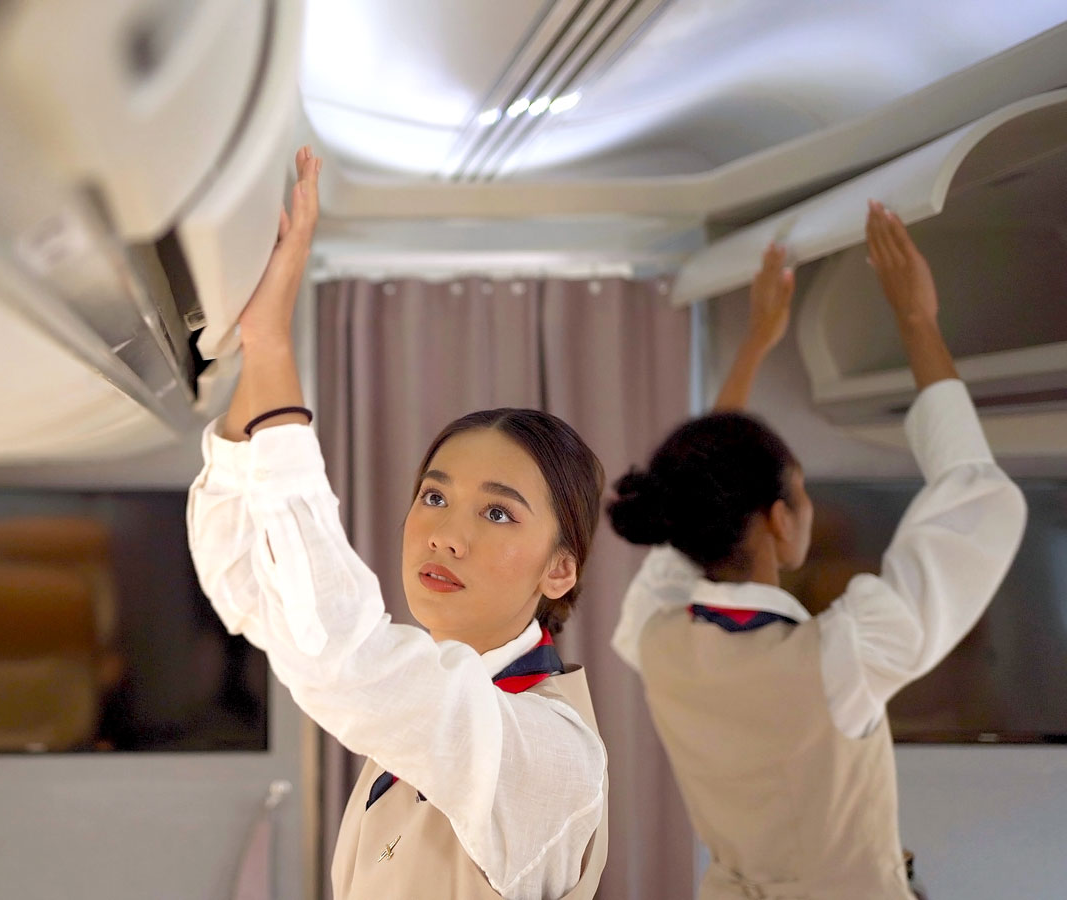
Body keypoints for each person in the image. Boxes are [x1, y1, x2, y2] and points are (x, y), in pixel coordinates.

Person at [186, 147, 608, 900]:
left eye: (498, 512)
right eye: (435, 497)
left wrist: (275, 345)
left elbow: (342, 655)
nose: (446, 533)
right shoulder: (431, 700)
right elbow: (247, 582)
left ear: (560, 568)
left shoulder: (546, 750)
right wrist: (257, 350)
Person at [607, 203, 1027, 899]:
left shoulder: (652, 637)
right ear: (778, 520)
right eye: (801, 491)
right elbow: (977, 497)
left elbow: (695, 503)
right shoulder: (845, 657)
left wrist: (754, 346)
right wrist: (917, 320)